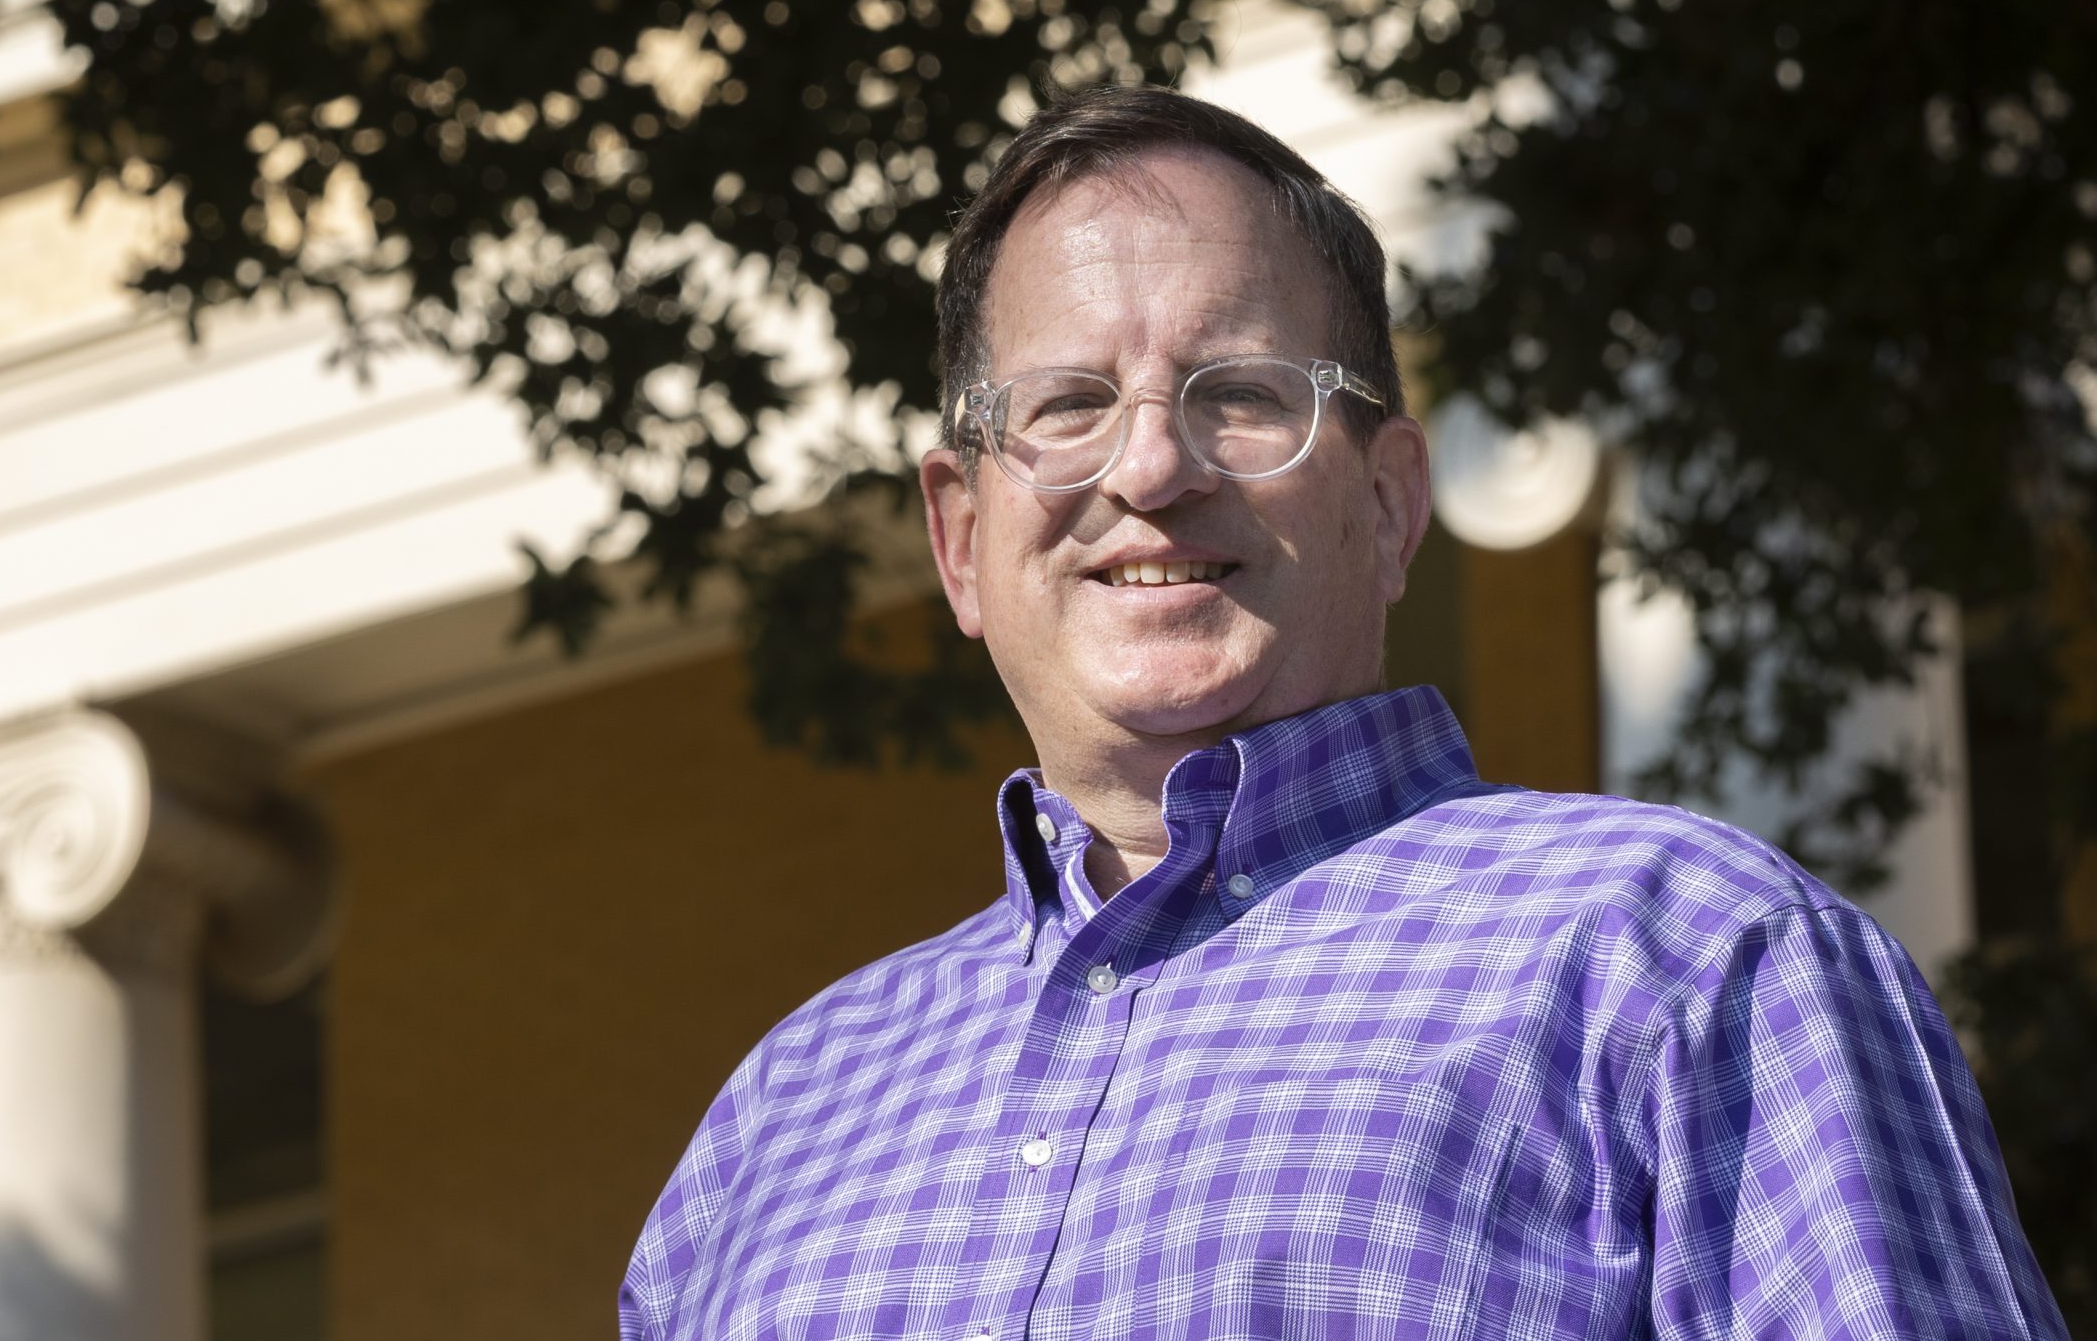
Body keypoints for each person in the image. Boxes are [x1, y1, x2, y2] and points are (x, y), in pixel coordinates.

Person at [620, 85, 2063, 1339]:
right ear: (958, 538)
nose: (1150, 465)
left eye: (1240, 393)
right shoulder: (781, 1123)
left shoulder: (1680, 959)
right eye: (1065, 405)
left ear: (1386, 502)